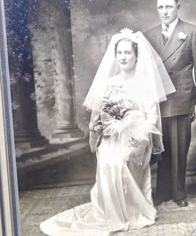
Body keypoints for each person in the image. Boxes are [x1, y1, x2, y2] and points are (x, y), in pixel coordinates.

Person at [40, 29, 175, 235]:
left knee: (120, 162)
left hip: (138, 137)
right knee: (106, 160)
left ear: (136, 55)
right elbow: (101, 115)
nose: (123, 57)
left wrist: (139, 138)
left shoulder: (145, 83)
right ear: (115, 55)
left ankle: (130, 211)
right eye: (119, 53)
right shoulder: (110, 83)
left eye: (128, 53)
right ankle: (108, 212)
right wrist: (101, 131)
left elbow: (152, 117)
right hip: (113, 136)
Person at [145, 0, 196, 207]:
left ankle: (179, 194)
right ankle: (162, 192)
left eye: (168, 7)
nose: (164, 11)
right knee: (161, 149)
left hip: (182, 99)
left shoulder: (192, 32)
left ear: (178, 7)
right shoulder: (148, 35)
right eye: (160, 7)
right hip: (158, 101)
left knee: (180, 150)